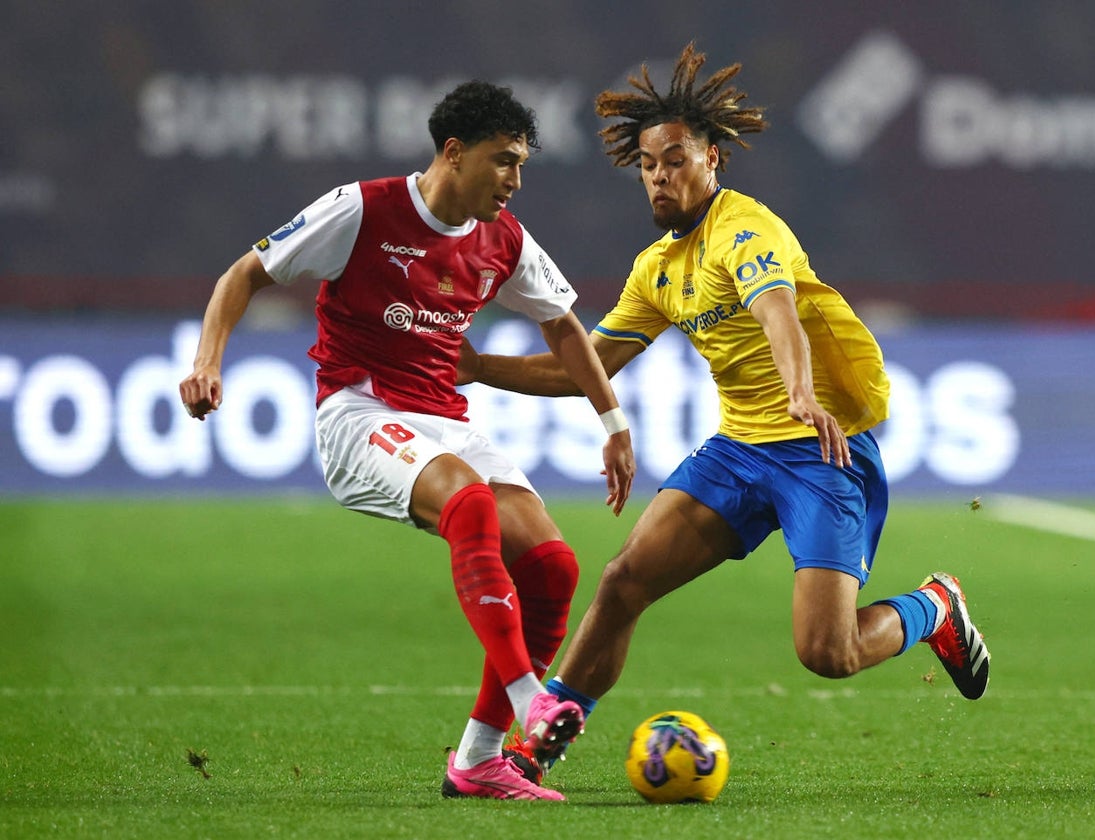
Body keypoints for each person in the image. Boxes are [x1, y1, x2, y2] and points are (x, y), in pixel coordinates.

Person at [458, 43, 990, 775]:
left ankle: (934, 604)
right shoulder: (657, 270)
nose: (660, 176)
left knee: (827, 654)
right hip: (740, 451)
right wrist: (479, 366)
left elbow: (778, 312)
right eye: (648, 165)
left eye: (676, 159)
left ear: (713, 159)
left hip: (820, 451)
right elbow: (587, 366)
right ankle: (537, 747)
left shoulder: (746, 230)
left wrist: (801, 390)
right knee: (621, 583)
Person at [179, 80, 636, 801]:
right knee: (468, 501)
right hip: (358, 412)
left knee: (552, 565)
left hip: (441, 418)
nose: (515, 180)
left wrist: (613, 424)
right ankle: (528, 702)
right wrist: (207, 361)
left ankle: (479, 762)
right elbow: (243, 275)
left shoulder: (504, 238)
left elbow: (563, 326)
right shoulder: (361, 209)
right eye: (503, 161)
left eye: (521, 165)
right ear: (453, 153)